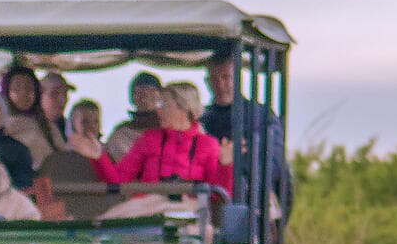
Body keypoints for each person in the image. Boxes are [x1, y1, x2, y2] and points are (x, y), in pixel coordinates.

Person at [70, 81, 231, 192]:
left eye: (164, 105)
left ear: (184, 108)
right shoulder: (149, 139)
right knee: (112, 218)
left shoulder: (208, 144)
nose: (158, 110)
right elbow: (118, 180)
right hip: (148, 212)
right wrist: (99, 157)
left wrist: (226, 166)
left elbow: (218, 196)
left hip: (190, 213)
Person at [203, 53, 293, 225]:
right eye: (214, 79)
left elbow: (274, 162)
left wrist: (238, 168)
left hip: (251, 201)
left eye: (226, 78)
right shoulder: (203, 120)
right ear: (207, 81)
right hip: (212, 200)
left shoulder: (260, 115)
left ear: (237, 78)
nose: (220, 85)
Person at [1, 65, 66, 166]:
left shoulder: (47, 126)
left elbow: (64, 158)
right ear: (6, 92)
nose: (24, 93)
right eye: (17, 88)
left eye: (29, 87)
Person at [105, 71, 161, 161]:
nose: (145, 95)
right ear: (132, 97)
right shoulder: (122, 133)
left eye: (150, 91)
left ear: (159, 96)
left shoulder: (169, 128)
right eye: (139, 92)